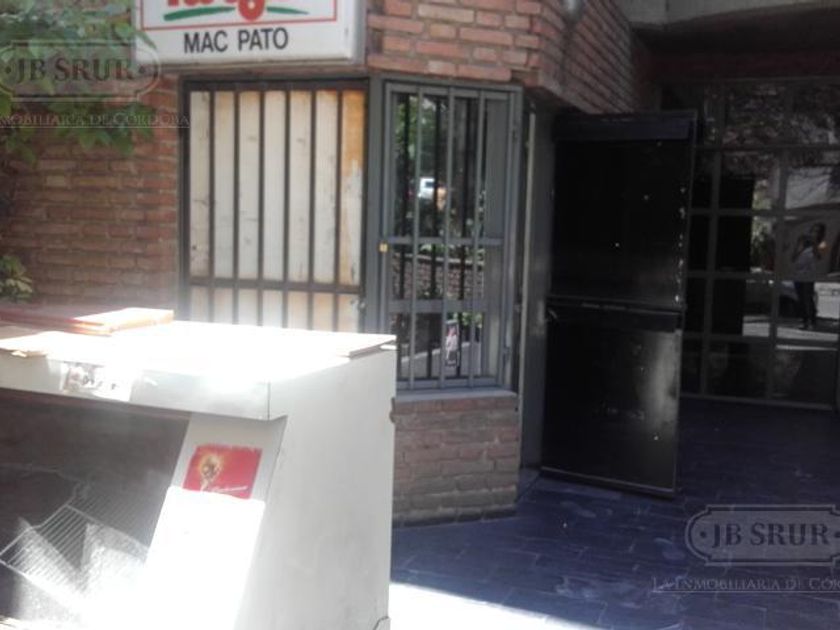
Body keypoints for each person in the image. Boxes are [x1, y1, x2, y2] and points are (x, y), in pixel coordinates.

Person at [792, 223, 827, 330]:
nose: (814, 233)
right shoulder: (804, 245)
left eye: (817, 231)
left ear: (821, 233)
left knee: (807, 298)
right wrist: (799, 244)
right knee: (801, 299)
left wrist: (814, 242)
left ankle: (812, 321)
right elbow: (793, 258)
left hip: (809, 275)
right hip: (798, 275)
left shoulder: (822, 244)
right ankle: (805, 321)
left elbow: (819, 256)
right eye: (813, 231)